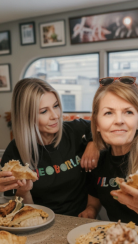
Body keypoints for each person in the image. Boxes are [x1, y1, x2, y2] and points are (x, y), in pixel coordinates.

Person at [79, 76, 138, 230]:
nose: (119, 120)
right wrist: (91, 209)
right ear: (97, 123)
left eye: (128, 112)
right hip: (116, 241)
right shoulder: (99, 159)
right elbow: (94, 196)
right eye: (108, 113)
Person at [1, 78, 100, 217]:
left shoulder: (75, 131)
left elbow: (99, 126)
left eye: (56, 106)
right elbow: (26, 213)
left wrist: (94, 143)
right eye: (43, 111)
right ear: (27, 117)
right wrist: (23, 191)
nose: (55, 116)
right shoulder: (14, 153)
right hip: (43, 221)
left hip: (83, 219)